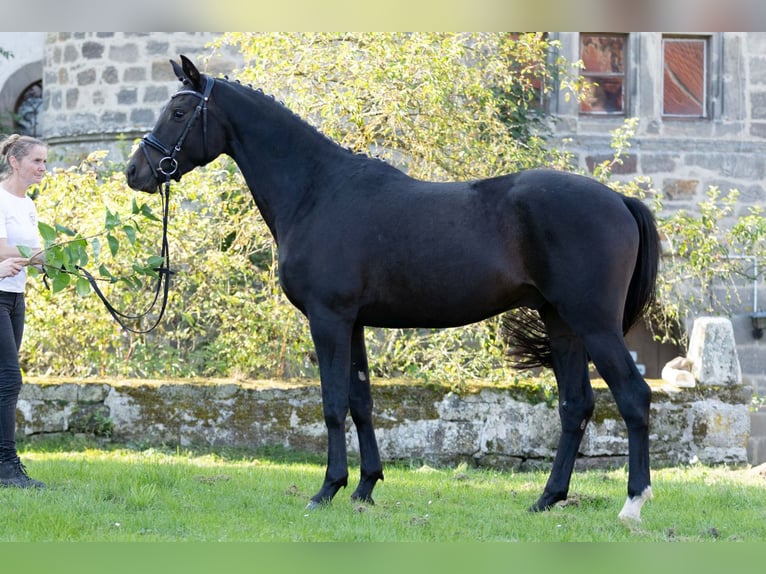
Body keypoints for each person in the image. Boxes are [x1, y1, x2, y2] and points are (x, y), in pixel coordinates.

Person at [0, 134, 47, 489]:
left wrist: (57, 259)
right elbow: (3, 248)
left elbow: (34, 250)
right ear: (15, 162)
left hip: (16, 297)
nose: (43, 168)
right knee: (9, 380)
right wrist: (45, 256)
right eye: (36, 161)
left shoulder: (28, 205)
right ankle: (6, 464)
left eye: (44, 162)